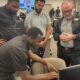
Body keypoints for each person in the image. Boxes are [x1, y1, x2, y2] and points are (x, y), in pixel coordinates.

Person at [0, 27, 66, 80]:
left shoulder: (25, 38)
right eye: (38, 41)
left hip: (8, 70)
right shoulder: (19, 50)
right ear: (30, 39)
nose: (41, 44)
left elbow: (32, 55)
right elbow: (25, 78)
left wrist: (46, 63)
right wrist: (47, 76)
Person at [53, 1, 80, 66]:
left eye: (69, 11)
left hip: (76, 53)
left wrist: (74, 36)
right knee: (64, 72)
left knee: (76, 72)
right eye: (65, 12)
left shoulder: (78, 20)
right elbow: (54, 35)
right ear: (62, 11)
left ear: (73, 9)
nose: (67, 13)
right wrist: (59, 36)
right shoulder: (58, 22)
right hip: (62, 52)